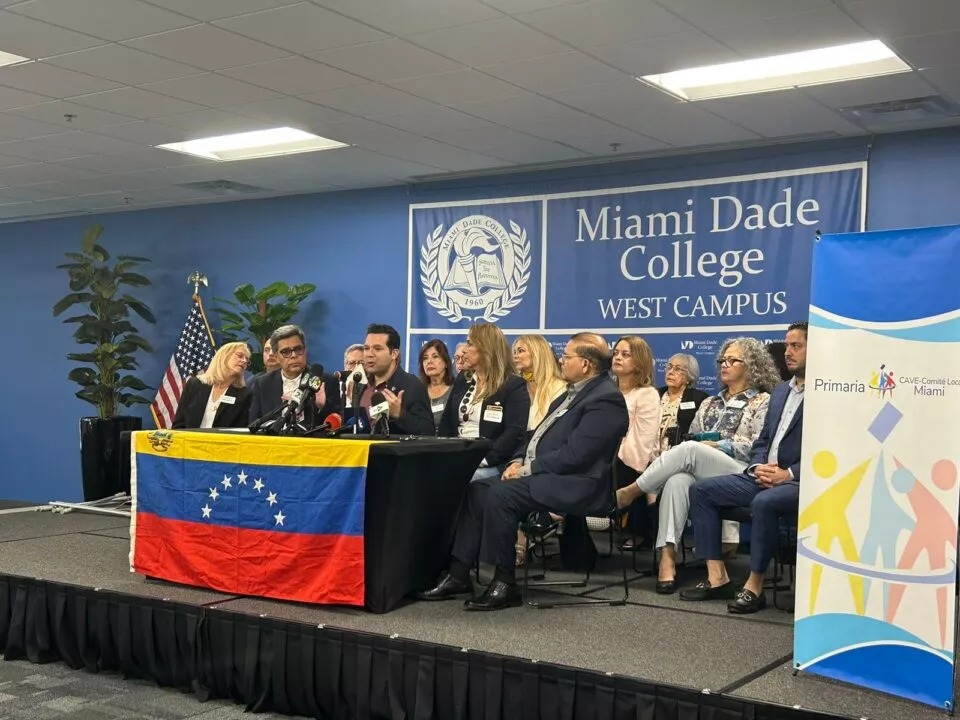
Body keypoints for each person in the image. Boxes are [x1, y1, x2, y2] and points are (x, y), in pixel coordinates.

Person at [418, 333, 628, 611]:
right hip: (547, 474)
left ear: (586, 364)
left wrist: (528, 469)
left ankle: (504, 582)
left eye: (567, 356)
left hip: (577, 483)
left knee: (501, 495)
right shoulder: (570, 395)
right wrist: (518, 461)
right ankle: (459, 573)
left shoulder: (605, 400)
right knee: (477, 489)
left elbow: (577, 455)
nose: (561, 360)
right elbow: (534, 438)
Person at [616, 337, 780, 594]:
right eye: (721, 360)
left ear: (752, 365)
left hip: (742, 470)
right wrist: (702, 446)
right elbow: (692, 435)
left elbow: (759, 445)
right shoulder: (710, 402)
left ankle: (631, 491)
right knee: (677, 479)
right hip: (704, 469)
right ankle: (667, 558)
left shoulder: (763, 401)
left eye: (732, 360)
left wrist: (719, 446)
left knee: (691, 450)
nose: (724, 365)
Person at [681, 322, 807, 613]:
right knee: (700, 491)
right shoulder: (780, 393)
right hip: (762, 474)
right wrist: (758, 467)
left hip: (799, 480)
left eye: (796, 346)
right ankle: (717, 578)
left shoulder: (826, 394)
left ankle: (754, 585)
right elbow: (762, 440)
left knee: (764, 503)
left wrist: (788, 473)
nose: (787, 352)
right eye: (787, 346)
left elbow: (828, 450)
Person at [437, 323, 529, 477]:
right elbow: (446, 424)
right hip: (457, 456)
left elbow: (514, 433)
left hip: (491, 462)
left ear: (487, 349)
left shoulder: (512, 385)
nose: (464, 350)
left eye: (470, 343)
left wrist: (481, 460)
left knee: (455, 479)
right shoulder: (463, 379)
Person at [610, 335, 661, 549]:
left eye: (625, 354)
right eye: (616, 353)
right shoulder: (607, 392)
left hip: (630, 464)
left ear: (639, 362)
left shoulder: (647, 395)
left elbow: (641, 446)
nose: (618, 358)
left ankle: (553, 514)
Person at [247, 325, 338, 429]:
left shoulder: (326, 380)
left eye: (298, 349)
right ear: (276, 356)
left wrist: (321, 406)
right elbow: (254, 424)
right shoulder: (263, 383)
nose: (294, 355)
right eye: (286, 352)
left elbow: (338, 423)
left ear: (305, 351)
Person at [360, 323, 436, 436]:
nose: (369, 354)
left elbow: (428, 431)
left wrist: (400, 414)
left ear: (394, 354)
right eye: (366, 348)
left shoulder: (412, 386)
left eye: (377, 348)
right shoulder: (361, 386)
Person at [172, 342, 252, 429]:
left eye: (247, 360)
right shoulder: (194, 385)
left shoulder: (244, 394)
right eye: (239, 356)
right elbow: (179, 424)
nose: (244, 361)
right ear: (224, 357)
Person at [512, 335, 566, 431]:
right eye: (514, 352)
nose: (515, 356)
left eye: (521, 351)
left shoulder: (559, 387)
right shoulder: (515, 386)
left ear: (538, 353)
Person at [657, 353, 709, 451]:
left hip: (680, 451)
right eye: (669, 367)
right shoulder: (655, 394)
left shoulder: (699, 399)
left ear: (689, 376)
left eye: (677, 369)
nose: (671, 372)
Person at [418, 339, 455, 427]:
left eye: (435, 356)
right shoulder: (417, 391)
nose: (429, 361)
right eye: (425, 358)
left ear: (446, 363)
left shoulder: (456, 390)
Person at [341, 343, 365, 409]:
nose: (357, 368)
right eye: (351, 363)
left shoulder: (372, 391)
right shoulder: (337, 390)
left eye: (361, 363)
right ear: (345, 366)